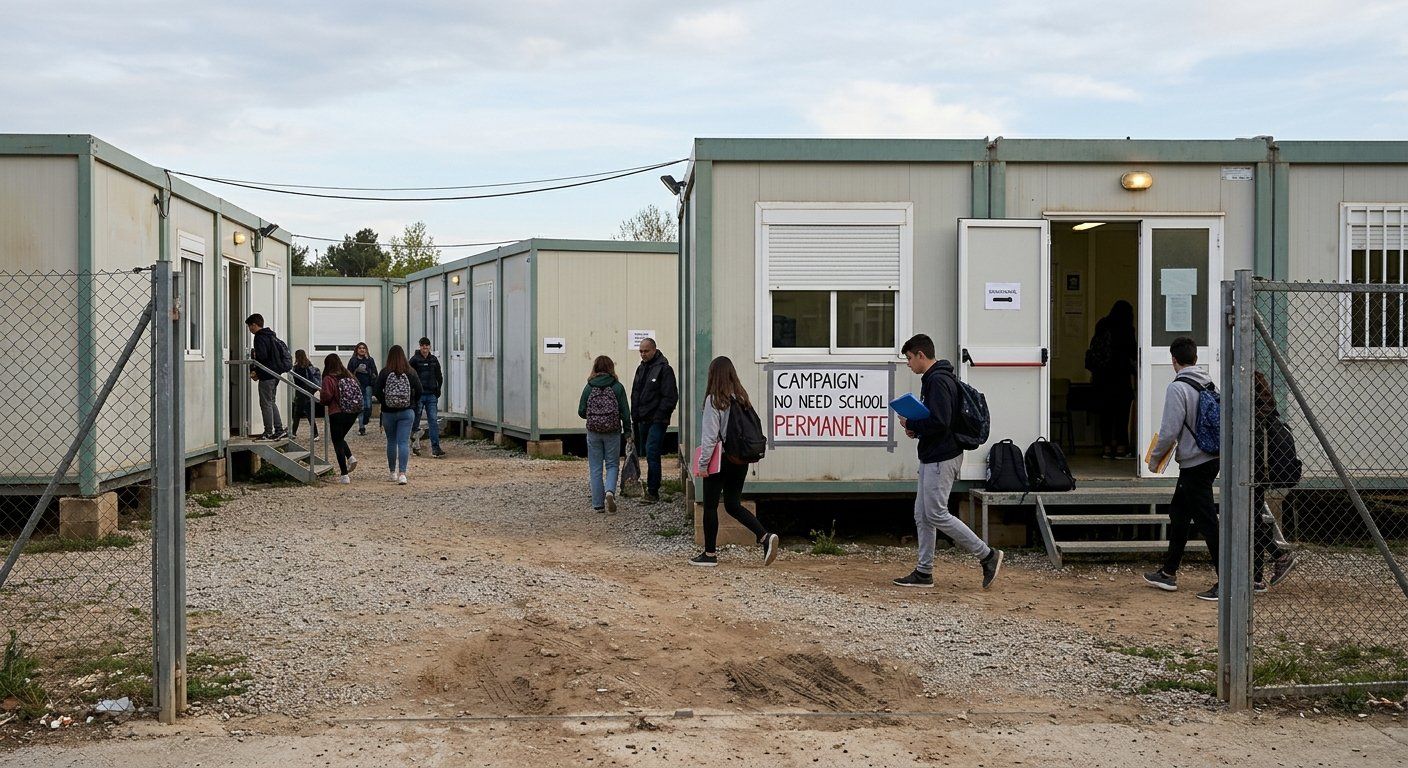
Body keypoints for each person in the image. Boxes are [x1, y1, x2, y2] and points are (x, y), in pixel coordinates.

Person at [892, 333, 1003, 589]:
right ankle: (924, 572)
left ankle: (987, 555)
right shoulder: (938, 378)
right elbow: (942, 420)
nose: (908, 364)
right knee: (922, 514)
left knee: (936, 513)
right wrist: (917, 429)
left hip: (941, 457)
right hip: (936, 454)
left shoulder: (937, 381)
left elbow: (940, 421)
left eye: (909, 358)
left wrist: (912, 423)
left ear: (921, 355)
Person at [1144, 336, 1221, 601]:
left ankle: (1227, 581)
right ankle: (1168, 573)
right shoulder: (1207, 382)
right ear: (1196, 358)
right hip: (1211, 457)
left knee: (1207, 521)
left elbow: (1169, 431)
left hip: (1194, 462)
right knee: (1179, 514)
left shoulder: (1178, 388)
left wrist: (1154, 459)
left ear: (1173, 360)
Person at [689, 356, 779, 567]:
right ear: (732, 374)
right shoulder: (741, 397)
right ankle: (765, 536)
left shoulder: (715, 400)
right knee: (732, 504)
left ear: (713, 375)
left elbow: (710, 438)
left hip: (720, 459)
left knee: (710, 505)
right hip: (740, 458)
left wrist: (702, 465)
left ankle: (709, 554)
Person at [1253, 371, 1298, 590]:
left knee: (1252, 523)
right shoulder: (1268, 411)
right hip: (1262, 476)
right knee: (1254, 521)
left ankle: (1279, 556)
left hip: (1255, 475)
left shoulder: (1255, 417)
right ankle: (1256, 577)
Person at [579, 355, 632, 513]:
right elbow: (625, 413)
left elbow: (581, 412)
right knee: (612, 464)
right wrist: (628, 432)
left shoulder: (589, 387)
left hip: (593, 431)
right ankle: (610, 491)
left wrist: (594, 416)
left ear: (595, 368)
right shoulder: (617, 387)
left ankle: (598, 504)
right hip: (613, 431)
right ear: (611, 368)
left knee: (595, 467)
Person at [1086, 300, 1137, 459]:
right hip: (1120, 377)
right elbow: (1133, 352)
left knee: (1105, 414)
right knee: (1121, 414)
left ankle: (1107, 446)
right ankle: (1121, 447)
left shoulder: (1102, 324)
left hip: (1101, 378)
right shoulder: (1127, 328)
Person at [630, 338, 678, 502]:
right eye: (641, 351)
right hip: (643, 419)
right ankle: (651, 487)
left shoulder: (664, 370)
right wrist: (634, 416)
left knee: (652, 452)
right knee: (648, 452)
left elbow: (670, 396)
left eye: (646, 351)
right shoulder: (641, 369)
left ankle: (653, 491)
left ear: (654, 350)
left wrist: (659, 417)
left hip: (657, 420)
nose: (643, 354)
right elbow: (635, 393)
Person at [375, 344, 421, 485]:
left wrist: (385, 402)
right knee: (403, 442)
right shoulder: (410, 371)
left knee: (391, 441)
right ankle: (402, 474)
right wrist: (412, 402)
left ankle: (392, 472)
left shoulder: (384, 372)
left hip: (388, 412)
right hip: (407, 412)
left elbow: (377, 390)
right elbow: (419, 389)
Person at [317, 353, 361, 484]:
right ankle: (351, 457)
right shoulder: (349, 375)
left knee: (337, 441)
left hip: (336, 412)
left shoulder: (328, 378)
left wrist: (320, 397)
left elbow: (326, 398)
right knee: (340, 438)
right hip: (352, 412)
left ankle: (344, 474)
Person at [245, 313, 287, 440]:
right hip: (275, 374)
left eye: (249, 326)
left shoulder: (259, 337)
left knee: (265, 403)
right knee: (271, 401)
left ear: (254, 324)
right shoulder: (271, 336)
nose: (249, 330)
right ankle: (278, 429)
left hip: (266, 375)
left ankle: (268, 431)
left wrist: (254, 361)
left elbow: (262, 356)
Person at [409, 337, 446, 458]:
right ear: (420, 347)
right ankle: (413, 441)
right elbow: (410, 377)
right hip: (419, 394)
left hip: (431, 394)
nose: (425, 348)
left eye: (427, 346)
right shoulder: (414, 360)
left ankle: (435, 447)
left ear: (429, 347)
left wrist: (438, 389)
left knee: (433, 421)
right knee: (416, 421)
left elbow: (439, 376)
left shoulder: (433, 360)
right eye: (423, 346)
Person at [347, 342, 378, 436]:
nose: (362, 349)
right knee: (361, 407)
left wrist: (369, 373)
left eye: (364, 348)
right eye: (360, 348)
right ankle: (361, 427)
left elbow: (375, 373)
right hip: (357, 386)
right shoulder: (353, 360)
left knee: (368, 406)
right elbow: (348, 373)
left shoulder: (370, 360)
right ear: (357, 350)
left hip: (368, 385)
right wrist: (356, 371)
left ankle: (366, 419)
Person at [290, 349, 321, 441]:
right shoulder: (309, 366)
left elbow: (296, 381)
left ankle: (293, 433)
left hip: (300, 392)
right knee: (310, 415)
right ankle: (315, 434)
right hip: (308, 392)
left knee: (297, 414)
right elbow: (311, 379)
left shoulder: (296, 368)